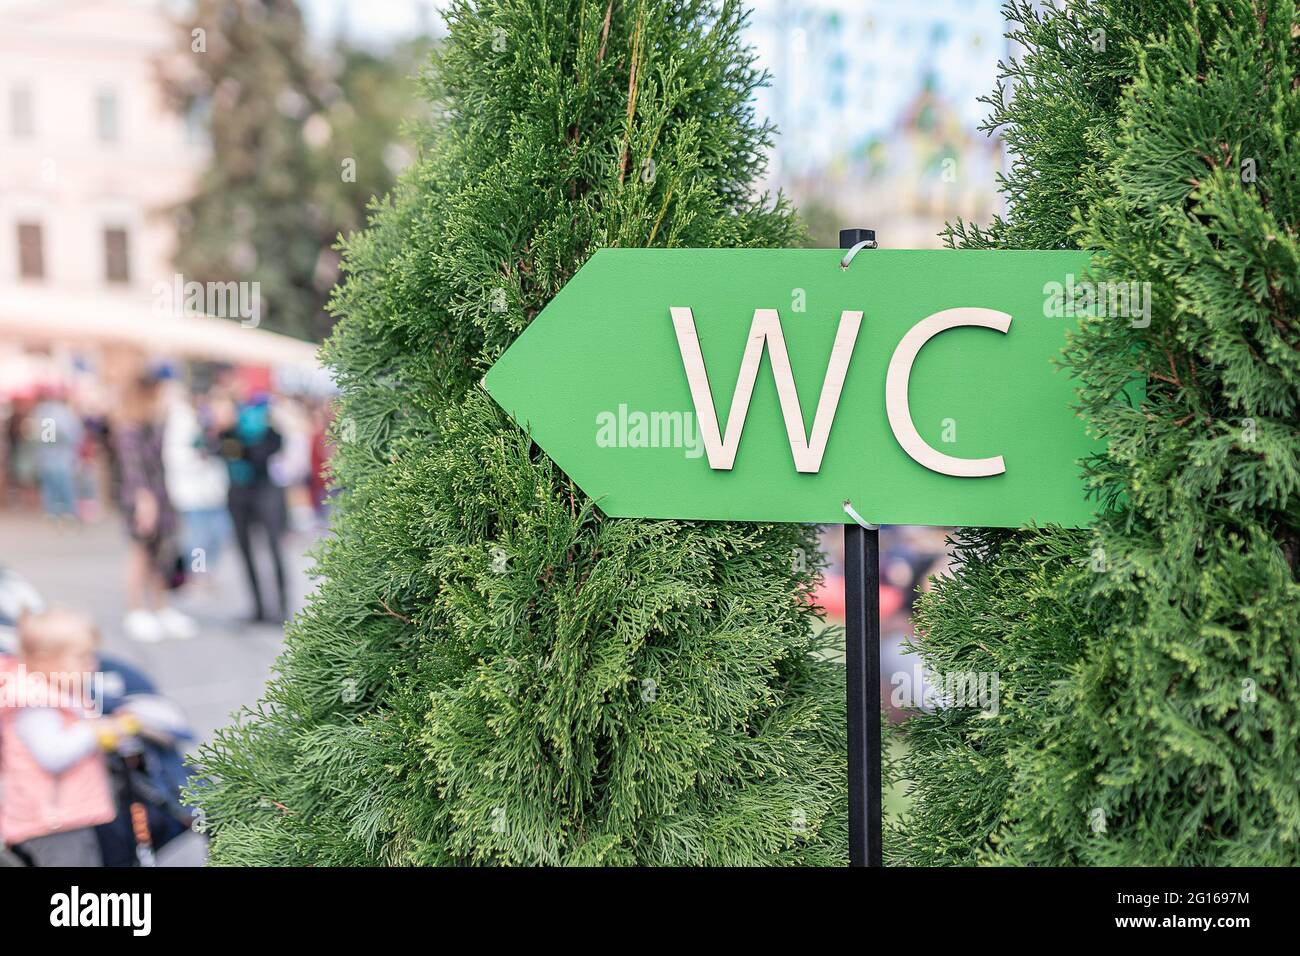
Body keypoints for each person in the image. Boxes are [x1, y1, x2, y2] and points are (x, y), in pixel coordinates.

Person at [0, 609, 132, 866]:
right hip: (52, 823)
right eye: (81, 658)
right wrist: (93, 731)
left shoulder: (60, 691)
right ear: (43, 661)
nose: (92, 664)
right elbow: (53, 755)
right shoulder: (36, 706)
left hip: (65, 816)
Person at [112, 373, 197, 643]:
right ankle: (136, 609)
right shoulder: (129, 428)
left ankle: (160, 607)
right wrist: (144, 501)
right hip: (143, 499)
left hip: (161, 495)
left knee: (162, 552)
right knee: (140, 553)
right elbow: (132, 469)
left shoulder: (154, 423)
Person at [213, 394, 288, 623]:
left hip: (265, 492)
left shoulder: (269, 432)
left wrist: (240, 446)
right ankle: (258, 608)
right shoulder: (228, 431)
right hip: (238, 494)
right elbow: (215, 449)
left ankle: (281, 608)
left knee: (274, 550)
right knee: (245, 552)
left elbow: (262, 454)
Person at [163, 387, 230, 589]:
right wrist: (198, 456)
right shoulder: (180, 421)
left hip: (213, 491)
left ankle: (209, 571)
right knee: (197, 540)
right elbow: (175, 456)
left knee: (219, 534)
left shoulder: (207, 417)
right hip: (191, 493)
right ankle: (198, 575)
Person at [31, 386, 83, 522]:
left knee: (51, 487)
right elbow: (74, 435)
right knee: (64, 485)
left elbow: (41, 437)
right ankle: (68, 513)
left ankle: (53, 513)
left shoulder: (42, 412)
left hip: (48, 457)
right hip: (62, 457)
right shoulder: (63, 413)